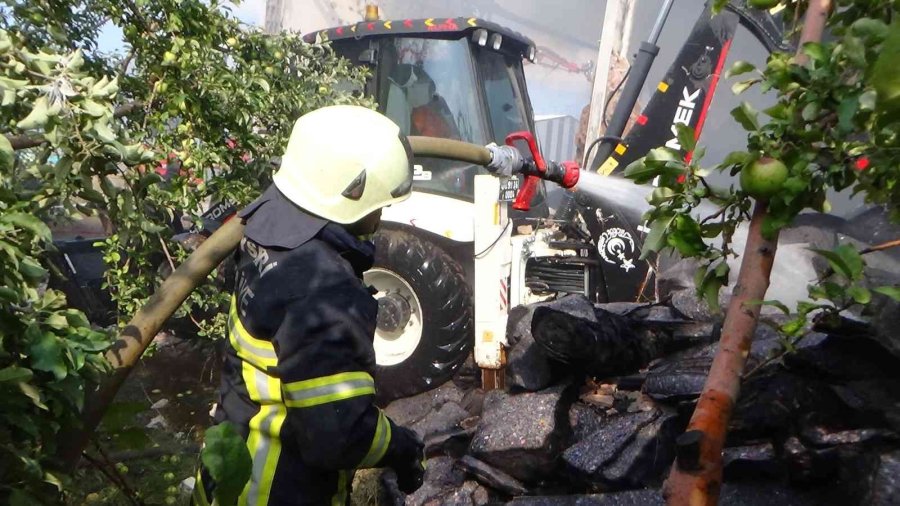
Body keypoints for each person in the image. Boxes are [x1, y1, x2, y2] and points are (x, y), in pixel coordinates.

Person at [193, 105, 425, 506]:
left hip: (224, 470)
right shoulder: (324, 289)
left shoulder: (266, 226)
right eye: (379, 202)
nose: (382, 212)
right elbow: (337, 435)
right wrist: (403, 448)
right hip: (275, 490)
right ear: (351, 191)